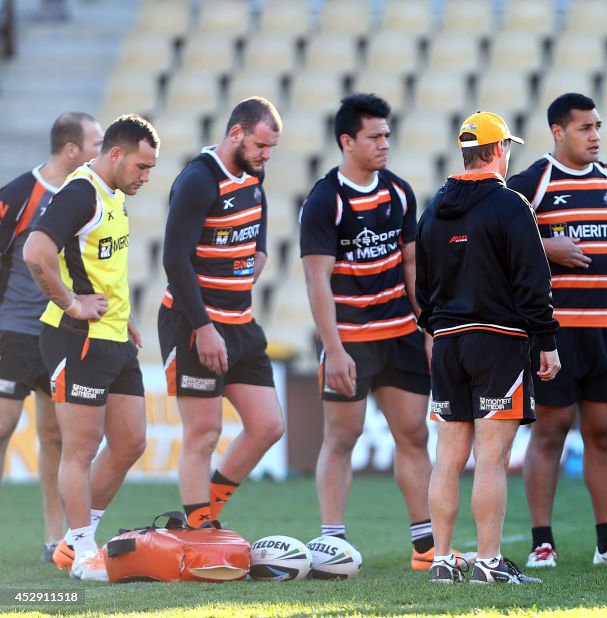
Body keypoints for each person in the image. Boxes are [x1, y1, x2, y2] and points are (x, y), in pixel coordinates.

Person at [300, 93, 455, 569]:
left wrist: (427, 329)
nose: (385, 143)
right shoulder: (324, 200)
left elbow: (411, 266)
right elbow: (316, 281)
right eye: (375, 136)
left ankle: (425, 545)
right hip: (350, 340)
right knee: (342, 437)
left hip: (400, 335)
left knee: (412, 434)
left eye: (387, 134)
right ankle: (332, 543)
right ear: (347, 141)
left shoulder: (400, 192)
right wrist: (335, 349)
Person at [507, 93, 607, 568]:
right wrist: (545, 245)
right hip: (555, 330)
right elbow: (499, 232)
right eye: (584, 128)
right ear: (557, 131)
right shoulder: (533, 182)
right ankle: (541, 544)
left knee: (602, 434)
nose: (595, 135)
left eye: (598, 126)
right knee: (551, 431)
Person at [417, 111, 560, 584]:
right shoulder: (510, 204)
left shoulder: (434, 207)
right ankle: (489, 561)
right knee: (492, 456)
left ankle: (441, 559)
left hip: (449, 343)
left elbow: (423, 288)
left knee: (449, 456)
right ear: (499, 151)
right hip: (497, 342)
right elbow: (533, 280)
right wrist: (546, 340)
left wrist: (438, 328)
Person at [23, 114, 159, 581]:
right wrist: (72, 303)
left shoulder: (114, 194)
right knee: (80, 448)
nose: (146, 176)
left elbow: (104, 268)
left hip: (116, 337)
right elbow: (35, 252)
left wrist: (127, 320)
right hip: (76, 338)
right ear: (116, 154)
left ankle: (75, 539)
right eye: (142, 167)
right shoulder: (80, 193)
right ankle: (82, 551)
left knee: (130, 442)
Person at [159, 97, 284, 529]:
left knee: (268, 425)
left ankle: (203, 515)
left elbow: (258, 225)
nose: (266, 156)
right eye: (261, 146)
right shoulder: (198, 179)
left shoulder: (253, 173)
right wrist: (204, 328)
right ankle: (199, 529)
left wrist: (259, 256)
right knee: (204, 433)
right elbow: (175, 260)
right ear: (236, 134)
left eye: (271, 148)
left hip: (241, 322)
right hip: (196, 324)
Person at [0, 112, 102, 562]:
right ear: (71, 149)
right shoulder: (21, 194)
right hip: (11, 330)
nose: (103, 149)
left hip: (58, 331)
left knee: (53, 437)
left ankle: (52, 538)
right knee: (2, 427)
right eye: (97, 142)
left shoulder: (90, 195)